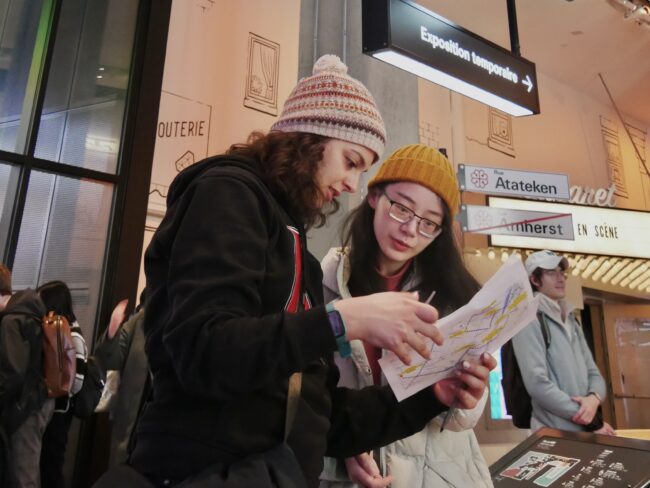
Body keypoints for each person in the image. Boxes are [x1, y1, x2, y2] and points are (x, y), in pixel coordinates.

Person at [124, 54, 495, 488]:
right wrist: (346, 320)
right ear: (311, 139)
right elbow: (205, 351)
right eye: (351, 160)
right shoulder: (227, 194)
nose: (353, 185)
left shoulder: (297, 245)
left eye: (429, 222)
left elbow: (321, 417)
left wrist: (431, 398)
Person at [319, 144, 493, 488]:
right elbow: (313, 400)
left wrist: (469, 397)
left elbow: (462, 420)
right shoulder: (324, 284)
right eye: (401, 208)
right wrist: (342, 451)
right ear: (374, 198)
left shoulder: (454, 296)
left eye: (429, 223)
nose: (411, 229)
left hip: (440, 477)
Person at [512, 250, 615, 434]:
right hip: (553, 432)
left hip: (586, 430)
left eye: (562, 272)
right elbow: (537, 384)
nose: (560, 278)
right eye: (551, 273)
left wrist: (593, 398)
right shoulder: (528, 319)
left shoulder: (570, 318)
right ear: (535, 280)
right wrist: (592, 420)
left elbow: (594, 373)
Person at [0, 263, 51, 488]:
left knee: (23, 476)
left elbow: (13, 374)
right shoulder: (30, 312)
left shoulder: (11, 321)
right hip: (37, 402)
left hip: (24, 407)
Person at [36, 280, 88, 488]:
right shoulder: (54, 332)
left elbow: (77, 382)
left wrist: (54, 391)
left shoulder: (73, 337)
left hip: (59, 414)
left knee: (51, 467)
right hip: (52, 410)